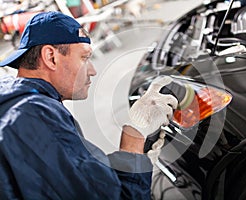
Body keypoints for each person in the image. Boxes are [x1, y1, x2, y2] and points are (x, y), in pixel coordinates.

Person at [0, 11, 178, 199]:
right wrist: (135, 137)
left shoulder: (11, 97)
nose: (92, 70)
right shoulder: (36, 116)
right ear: (51, 57)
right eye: (84, 58)